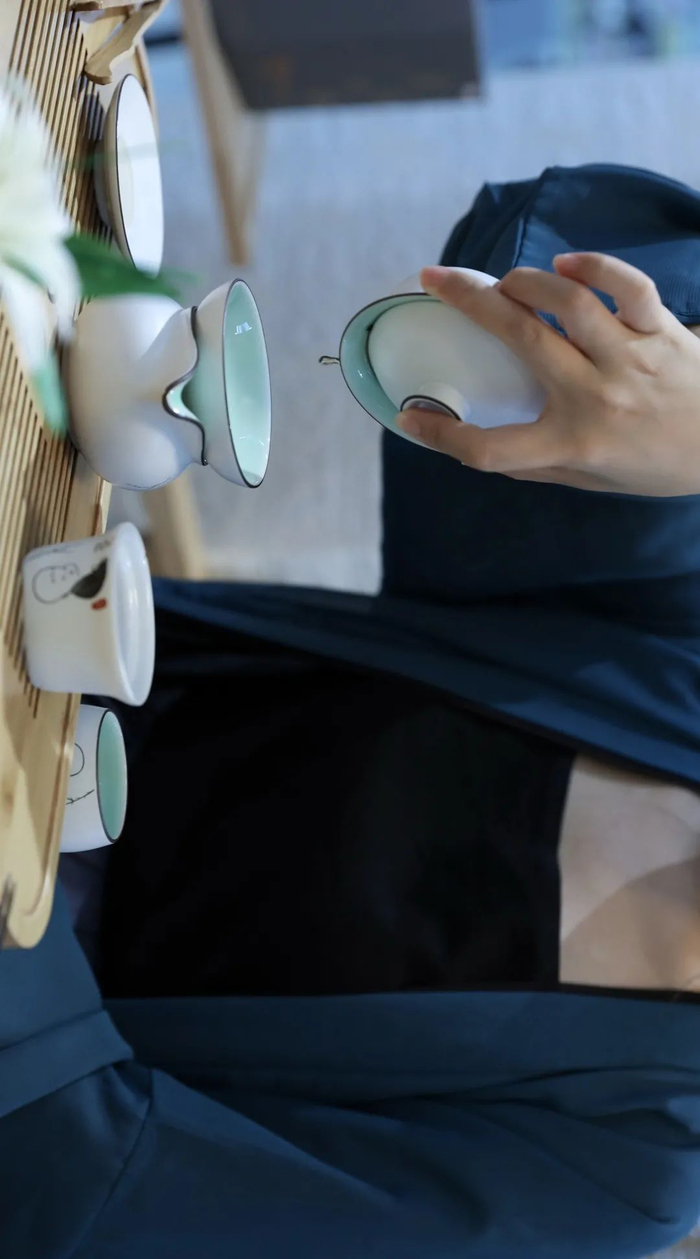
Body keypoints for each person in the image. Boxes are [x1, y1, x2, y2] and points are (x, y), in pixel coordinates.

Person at [3, 162, 700, 1259]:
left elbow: (80, 1182)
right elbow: (514, 277)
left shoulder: (622, 1167)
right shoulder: (680, 687)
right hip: (32, 632)